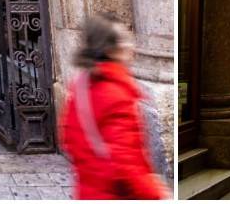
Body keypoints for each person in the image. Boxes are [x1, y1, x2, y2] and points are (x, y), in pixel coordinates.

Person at [59, 13, 167, 200]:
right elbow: (126, 164)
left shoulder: (81, 85)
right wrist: (156, 194)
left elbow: (69, 139)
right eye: (125, 40)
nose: (132, 46)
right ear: (110, 49)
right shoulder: (116, 95)